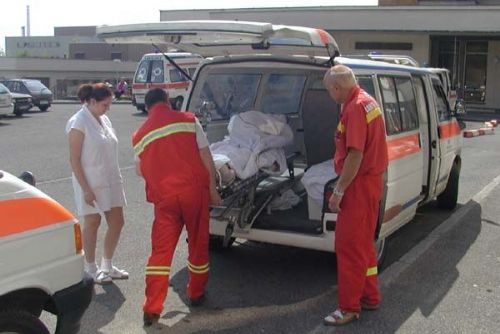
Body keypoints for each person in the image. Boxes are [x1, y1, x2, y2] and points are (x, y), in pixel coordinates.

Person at [132, 88, 222, 327]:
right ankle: (195, 294)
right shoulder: (188, 120)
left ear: (148, 106)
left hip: (164, 198)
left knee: (160, 253)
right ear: (167, 101)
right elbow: (206, 156)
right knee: (197, 244)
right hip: (194, 192)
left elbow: (140, 170)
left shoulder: (139, 136)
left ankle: (151, 309)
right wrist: (213, 190)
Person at [322, 65, 388, 326]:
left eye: (329, 90)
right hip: (370, 183)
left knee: (348, 247)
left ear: (337, 87)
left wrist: (338, 191)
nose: (330, 95)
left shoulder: (354, 108)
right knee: (363, 245)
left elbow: (355, 154)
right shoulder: (368, 101)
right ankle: (370, 296)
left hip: (358, 185)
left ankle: (349, 307)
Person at [66, 83, 129, 285]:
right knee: (93, 223)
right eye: (105, 104)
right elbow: (74, 159)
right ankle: (91, 268)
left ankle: (107, 265)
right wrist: (86, 189)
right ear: (92, 102)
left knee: (117, 222)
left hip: (111, 179)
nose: (107, 109)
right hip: (90, 182)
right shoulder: (78, 122)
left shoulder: (104, 119)